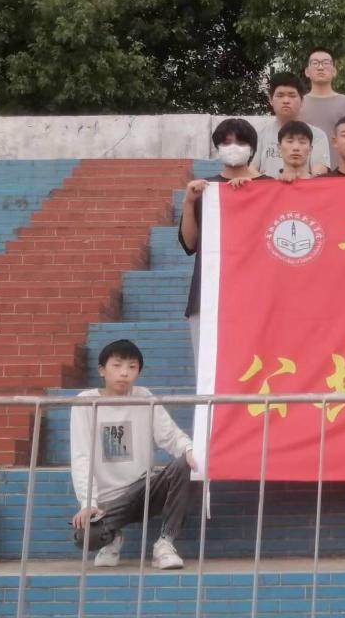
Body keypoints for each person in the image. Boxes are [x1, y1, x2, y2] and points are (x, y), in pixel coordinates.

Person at [70, 340, 198, 570]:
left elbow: (170, 436)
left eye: (132, 367)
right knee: (85, 537)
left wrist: (189, 450)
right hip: (109, 502)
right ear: (102, 370)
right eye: (117, 365)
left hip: (144, 489)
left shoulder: (144, 397)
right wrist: (88, 502)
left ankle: (165, 544)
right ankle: (112, 539)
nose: (124, 373)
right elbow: (81, 456)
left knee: (185, 464)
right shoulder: (86, 402)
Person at [179, 119, 273, 362]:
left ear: (252, 148)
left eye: (240, 142)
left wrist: (254, 192)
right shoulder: (205, 190)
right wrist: (189, 202)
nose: (233, 147)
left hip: (261, 297)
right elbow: (190, 243)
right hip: (210, 295)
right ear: (218, 148)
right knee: (211, 367)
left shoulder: (272, 188)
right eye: (226, 142)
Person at [252, 72, 330, 178]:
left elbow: (319, 173)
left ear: (302, 100)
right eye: (280, 95)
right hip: (269, 188)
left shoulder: (317, 135)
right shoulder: (259, 134)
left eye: (292, 95)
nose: (286, 101)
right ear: (270, 100)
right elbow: (251, 170)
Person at [299, 47, 345, 163]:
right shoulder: (298, 103)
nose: (320, 67)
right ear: (307, 71)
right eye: (315, 63)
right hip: (305, 170)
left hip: (341, 170)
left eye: (326, 63)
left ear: (334, 71)